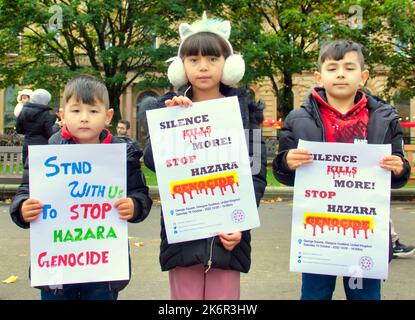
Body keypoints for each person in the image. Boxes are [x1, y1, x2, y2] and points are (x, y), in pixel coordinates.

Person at [141, 12, 267, 300]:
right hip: (184, 233)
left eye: (213, 59)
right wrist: (168, 119)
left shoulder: (244, 112)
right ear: (182, 66)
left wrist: (241, 223)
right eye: (194, 60)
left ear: (228, 65)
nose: (203, 67)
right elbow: (152, 161)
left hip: (229, 234)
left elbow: (256, 172)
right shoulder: (169, 108)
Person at [272, 40, 411, 300]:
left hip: (364, 232)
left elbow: (398, 170)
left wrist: (399, 168)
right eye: (332, 68)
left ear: (363, 77)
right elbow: (284, 171)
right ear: (318, 76)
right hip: (318, 233)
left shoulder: (384, 118)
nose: (340, 74)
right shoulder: (297, 119)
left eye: (349, 68)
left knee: (365, 296)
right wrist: (286, 162)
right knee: (314, 295)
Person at [9, 74, 153, 300]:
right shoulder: (48, 156)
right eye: (76, 111)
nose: (84, 118)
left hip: (103, 272)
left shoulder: (122, 156)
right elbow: (25, 191)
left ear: (108, 116)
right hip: (56, 272)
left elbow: (140, 195)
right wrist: (22, 209)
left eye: (93, 111)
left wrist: (135, 205)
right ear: (62, 115)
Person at [16, 88, 57, 165]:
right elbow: (50, 134)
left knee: (28, 172)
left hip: (27, 146)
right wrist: (57, 126)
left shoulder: (23, 111)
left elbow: (19, 130)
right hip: (43, 147)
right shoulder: (48, 114)